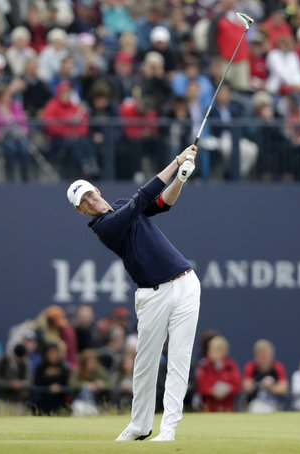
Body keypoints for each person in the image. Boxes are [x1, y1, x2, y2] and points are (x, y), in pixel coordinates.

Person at [66, 143, 201, 441]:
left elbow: (162, 203)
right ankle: (140, 425)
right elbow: (142, 198)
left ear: (97, 190)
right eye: (83, 201)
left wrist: (181, 177)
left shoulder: (122, 203)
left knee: (179, 358)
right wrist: (176, 160)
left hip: (187, 283)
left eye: (90, 193)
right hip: (152, 294)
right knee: (145, 363)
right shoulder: (103, 227)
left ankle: (168, 430)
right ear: (80, 210)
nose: (90, 201)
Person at [241, 339, 289, 413]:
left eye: (266, 356)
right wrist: (261, 385)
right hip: (254, 405)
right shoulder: (250, 367)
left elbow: (283, 388)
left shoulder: (277, 367)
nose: (264, 359)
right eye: (261, 356)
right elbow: (247, 387)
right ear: (256, 356)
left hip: (274, 405)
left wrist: (271, 387)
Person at [195, 335, 241, 412]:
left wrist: (227, 391)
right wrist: (211, 391)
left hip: (227, 408)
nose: (210, 353)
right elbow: (200, 386)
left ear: (223, 352)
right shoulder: (203, 366)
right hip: (208, 408)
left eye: (214, 350)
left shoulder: (231, 366)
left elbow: (237, 386)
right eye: (210, 349)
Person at [33, 343, 70, 415]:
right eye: (51, 352)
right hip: (43, 402)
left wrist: (59, 387)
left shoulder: (63, 367)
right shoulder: (41, 367)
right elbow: (36, 383)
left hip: (59, 402)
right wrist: (45, 375)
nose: (53, 355)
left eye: (55, 352)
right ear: (46, 354)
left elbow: (66, 383)